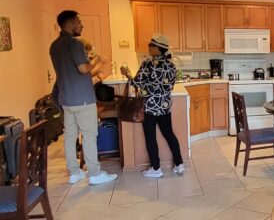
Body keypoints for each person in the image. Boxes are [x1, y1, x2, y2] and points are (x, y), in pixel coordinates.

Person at [49, 10, 117, 185]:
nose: (82, 25)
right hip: (83, 99)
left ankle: (74, 172)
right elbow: (83, 69)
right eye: (79, 22)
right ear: (70, 23)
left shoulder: (54, 45)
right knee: (89, 135)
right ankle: (94, 173)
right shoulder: (74, 44)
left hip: (66, 99)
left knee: (70, 135)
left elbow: (76, 73)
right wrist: (98, 61)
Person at [121, 34, 185, 177]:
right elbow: (170, 86)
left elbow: (135, 83)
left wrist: (127, 74)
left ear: (157, 49)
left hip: (149, 106)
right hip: (164, 106)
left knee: (150, 137)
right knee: (169, 135)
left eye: (150, 45)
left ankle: (156, 169)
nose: (148, 48)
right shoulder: (171, 65)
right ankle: (179, 164)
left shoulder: (148, 65)